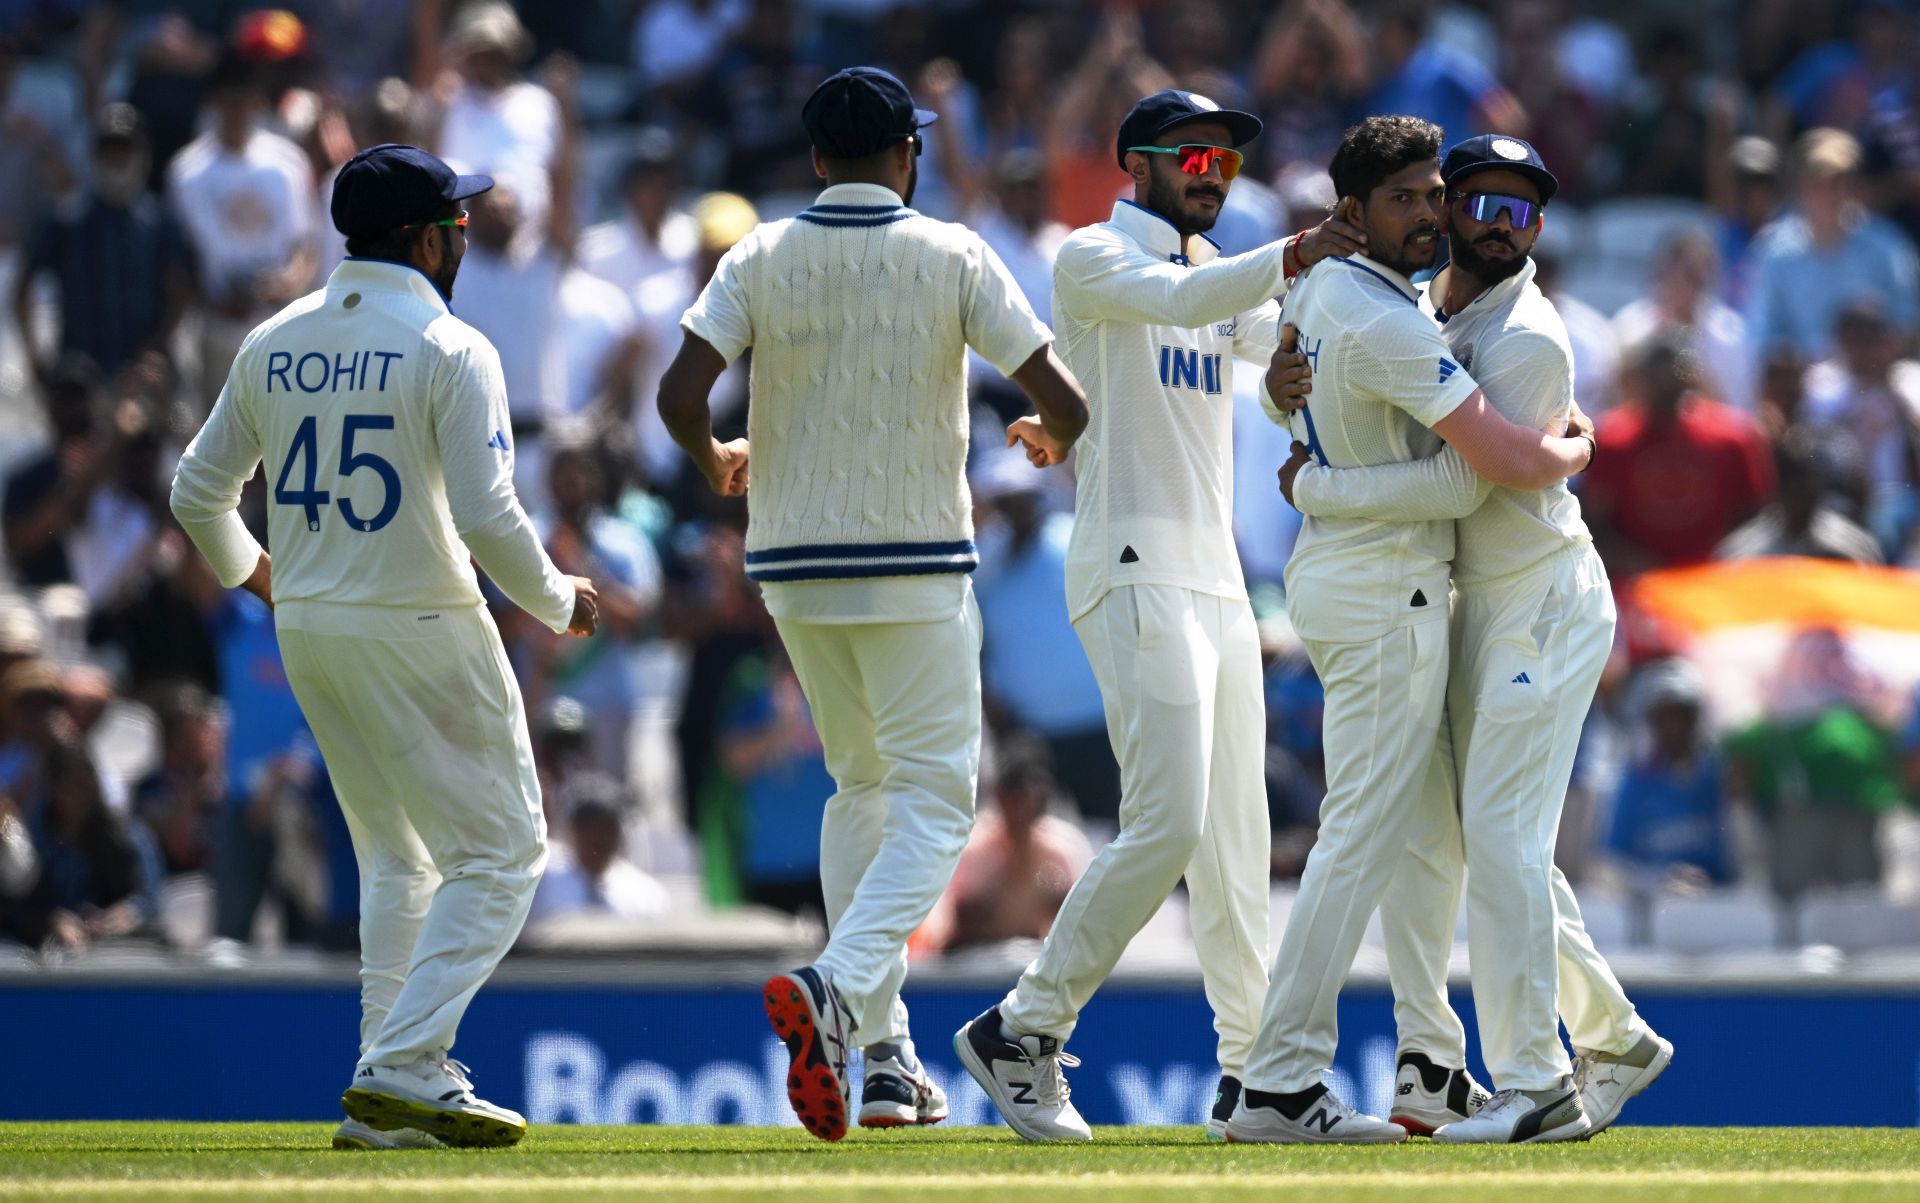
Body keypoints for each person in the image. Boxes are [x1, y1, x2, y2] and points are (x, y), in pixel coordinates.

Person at [657, 66, 1088, 1143]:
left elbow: (677, 395)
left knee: (861, 792)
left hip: (794, 567)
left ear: (815, 159)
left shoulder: (757, 252)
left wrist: (715, 461)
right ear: (910, 155)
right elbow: (1065, 399)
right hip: (916, 563)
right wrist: (1050, 442)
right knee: (941, 800)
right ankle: (839, 987)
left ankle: (886, 1061)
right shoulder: (952, 252)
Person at [169, 143, 599, 1151]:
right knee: (502, 856)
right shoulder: (453, 347)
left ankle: (386, 1096)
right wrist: (556, 602)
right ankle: (403, 1063)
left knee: (399, 863)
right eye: (454, 225)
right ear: (421, 238)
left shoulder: (274, 338)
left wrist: (263, 576)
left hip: (311, 627)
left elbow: (197, 493)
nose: (463, 240)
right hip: (422, 621)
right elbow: (490, 518)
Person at [953, 88, 1360, 1144]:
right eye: (1194, 154)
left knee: (1235, 843)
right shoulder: (1094, 259)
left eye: (1226, 157)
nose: (1214, 170)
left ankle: (1257, 1081)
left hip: (1216, 573)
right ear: (1137, 162)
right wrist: (1296, 253)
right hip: (1129, 560)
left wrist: (1298, 353)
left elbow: (1269, 365)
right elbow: (1197, 310)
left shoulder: (1201, 272)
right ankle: (1022, 1029)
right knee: (1171, 822)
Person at [1258, 133, 1671, 1144]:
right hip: (1468, 605)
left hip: (1539, 601)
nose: (1494, 225)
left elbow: (1476, 476)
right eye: (1476, 202)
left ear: (1540, 228)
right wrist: (1284, 392)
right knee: (1476, 839)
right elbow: (1317, 367)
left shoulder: (1525, 336)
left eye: (1519, 212)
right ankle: (1612, 1039)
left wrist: (1315, 486)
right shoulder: (1425, 304)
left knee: (1501, 840)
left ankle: (1537, 1082)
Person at [14, 103, 193, 385]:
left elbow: (180, 289)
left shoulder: (160, 223)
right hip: (78, 377)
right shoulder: (66, 220)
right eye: (110, 151)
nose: (118, 159)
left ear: (143, 156)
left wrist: (159, 346)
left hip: (139, 377)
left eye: (126, 150)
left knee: (170, 424)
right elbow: (23, 289)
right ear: (94, 156)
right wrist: (36, 358)